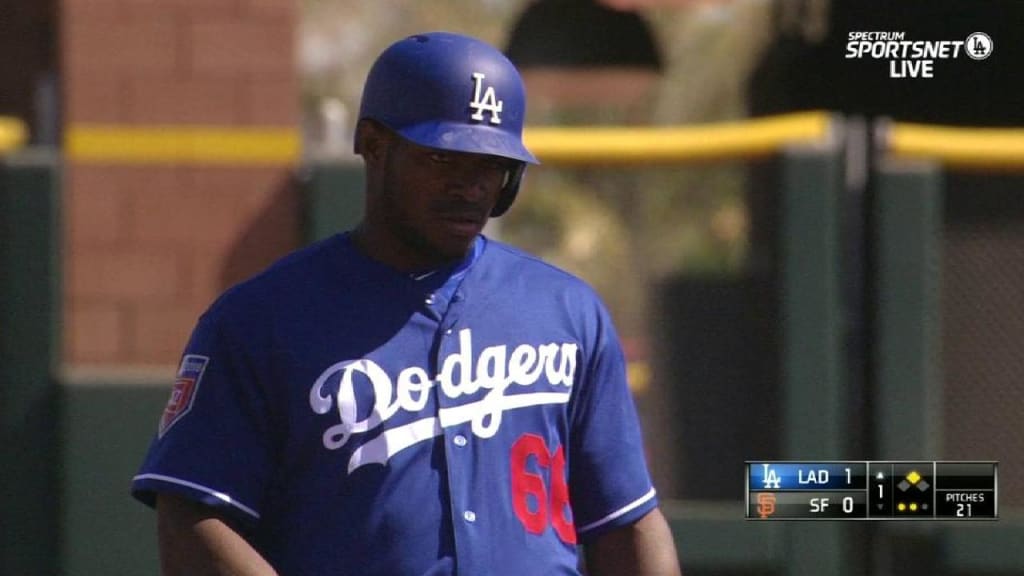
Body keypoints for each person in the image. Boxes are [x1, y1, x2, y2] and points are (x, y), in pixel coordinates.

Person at [132, 31, 682, 576]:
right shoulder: (261, 320)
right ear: (374, 144)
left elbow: (627, 520)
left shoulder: (567, 312)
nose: (470, 186)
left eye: (489, 164)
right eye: (444, 159)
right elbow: (192, 518)